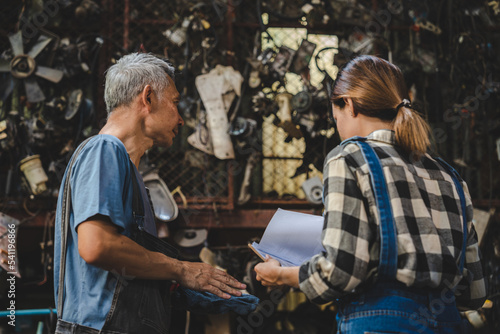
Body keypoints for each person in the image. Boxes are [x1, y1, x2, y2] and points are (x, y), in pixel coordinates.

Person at [254, 55, 487, 333]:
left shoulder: (348, 159)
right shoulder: (450, 176)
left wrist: (282, 275)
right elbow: (473, 292)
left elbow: (341, 272)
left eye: (336, 115)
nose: (337, 125)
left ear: (349, 104)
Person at [54, 52, 248, 333]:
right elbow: (97, 246)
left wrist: (184, 289)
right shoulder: (105, 150)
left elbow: (124, 268)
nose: (180, 120)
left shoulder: (128, 171)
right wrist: (182, 269)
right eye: (175, 103)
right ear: (147, 98)